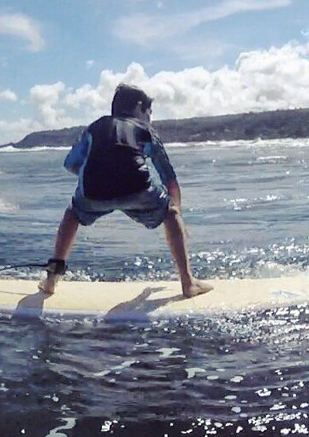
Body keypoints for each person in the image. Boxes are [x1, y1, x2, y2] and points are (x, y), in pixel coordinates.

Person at [39, 83, 213, 298]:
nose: (150, 118)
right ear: (140, 107)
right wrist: (177, 214)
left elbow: (70, 164)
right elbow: (169, 178)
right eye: (149, 112)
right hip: (139, 190)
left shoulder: (95, 127)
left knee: (72, 214)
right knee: (170, 213)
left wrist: (100, 174)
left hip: (94, 193)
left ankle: (51, 280)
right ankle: (188, 283)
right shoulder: (145, 130)